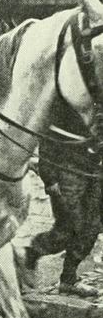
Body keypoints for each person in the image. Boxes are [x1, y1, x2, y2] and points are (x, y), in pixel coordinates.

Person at [18, 112, 102, 298]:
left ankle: (68, 280)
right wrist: (50, 179)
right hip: (67, 171)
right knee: (69, 227)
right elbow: (47, 140)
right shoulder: (67, 101)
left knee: (92, 227)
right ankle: (30, 254)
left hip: (95, 172)